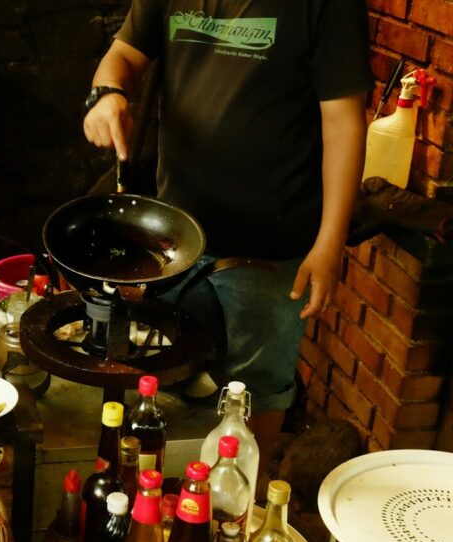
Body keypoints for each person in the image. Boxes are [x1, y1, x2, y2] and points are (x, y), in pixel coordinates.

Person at [82, 1, 372, 472]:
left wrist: (329, 244)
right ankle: (152, 507)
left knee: (256, 392)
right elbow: (124, 55)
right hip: (172, 237)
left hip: (270, 245)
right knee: (160, 377)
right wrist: (108, 92)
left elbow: (343, 121)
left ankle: (237, 513)